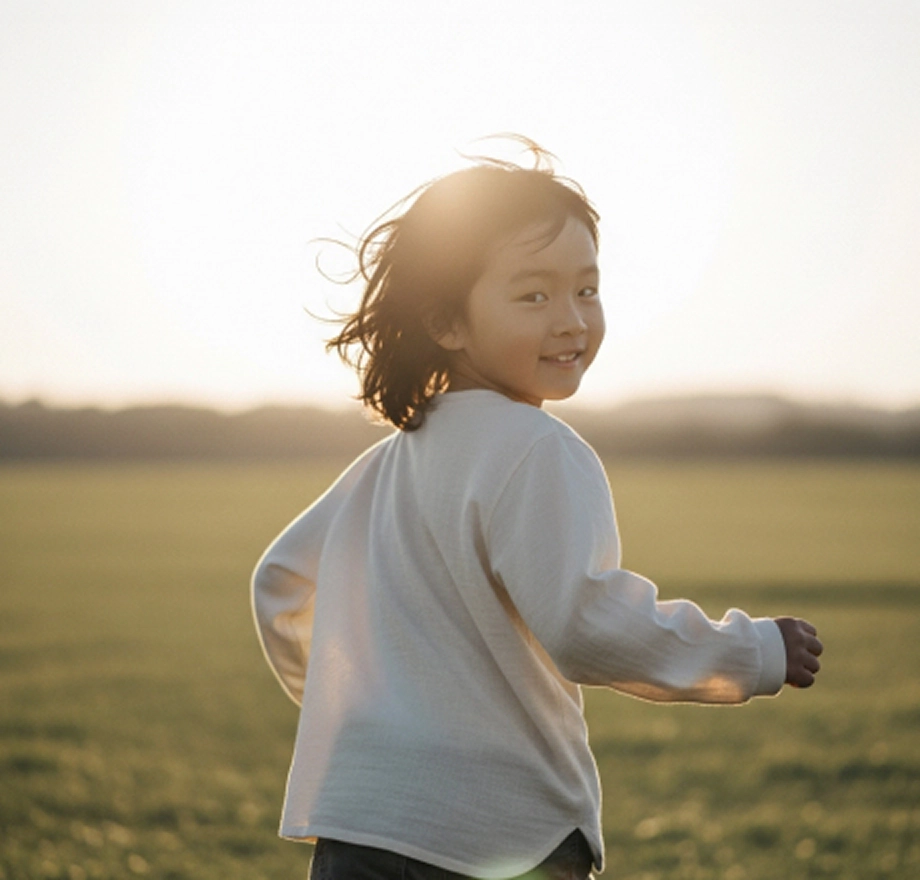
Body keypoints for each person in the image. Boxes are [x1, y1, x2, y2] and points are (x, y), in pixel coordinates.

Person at [251, 139, 823, 880]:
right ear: (448, 323)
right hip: (496, 836)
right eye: (533, 295)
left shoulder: (391, 459)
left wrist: (374, 716)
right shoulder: (538, 448)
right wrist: (750, 651)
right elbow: (582, 624)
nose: (571, 319)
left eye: (586, 289)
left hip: (358, 828)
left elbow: (280, 583)